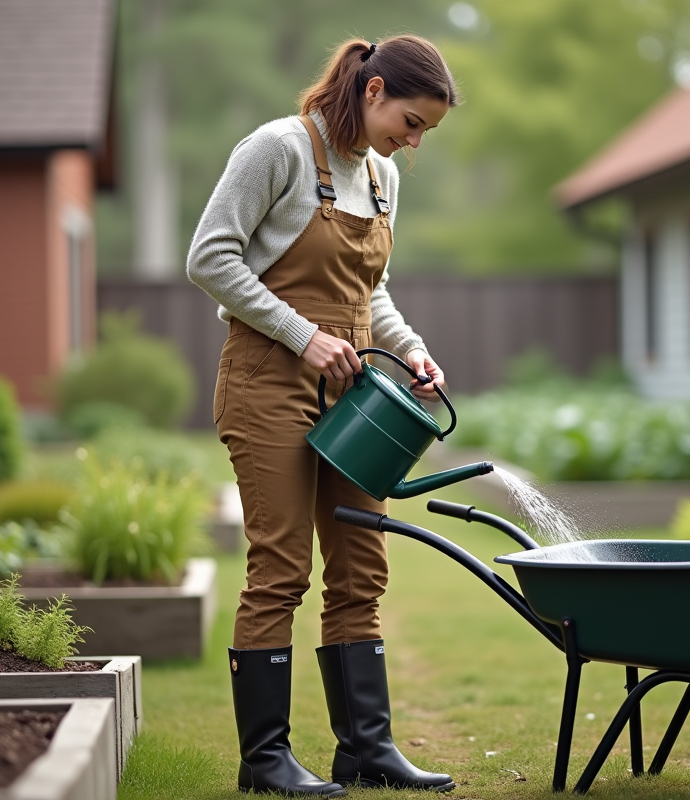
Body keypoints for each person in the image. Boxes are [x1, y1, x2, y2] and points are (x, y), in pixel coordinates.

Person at [186, 34, 458, 797]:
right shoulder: (277, 148)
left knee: (362, 568)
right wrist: (302, 337)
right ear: (373, 91)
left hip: (357, 391)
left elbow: (372, 294)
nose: (413, 142)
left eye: (425, 133)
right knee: (281, 567)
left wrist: (413, 351)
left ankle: (366, 749)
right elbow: (209, 258)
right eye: (411, 122)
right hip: (266, 379)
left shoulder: (382, 177)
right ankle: (265, 760)